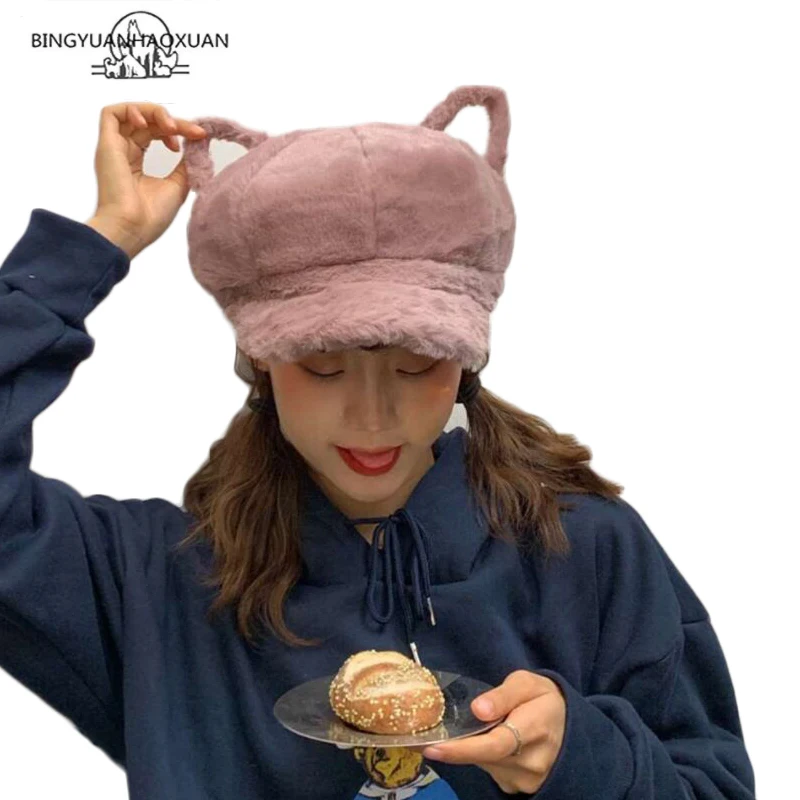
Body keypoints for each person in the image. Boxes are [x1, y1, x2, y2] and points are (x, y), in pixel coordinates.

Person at [0, 99, 756, 800]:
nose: (371, 415)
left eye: (416, 363)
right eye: (322, 365)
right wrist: (93, 246)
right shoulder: (154, 586)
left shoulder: (587, 552)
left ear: (468, 359)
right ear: (261, 362)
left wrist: (584, 757)